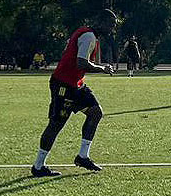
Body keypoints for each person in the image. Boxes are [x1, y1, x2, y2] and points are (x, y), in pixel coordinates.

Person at [32, 10, 117, 176]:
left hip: (75, 84)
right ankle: (38, 166)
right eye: (111, 25)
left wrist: (100, 64)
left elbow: (89, 62)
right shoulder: (88, 36)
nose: (112, 29)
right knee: (56, 124)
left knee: (95, 112)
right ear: (101, 22)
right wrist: (103, 69)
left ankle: (82, 156)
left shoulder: (89, 35)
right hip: (63, 84)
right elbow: (81, 63)